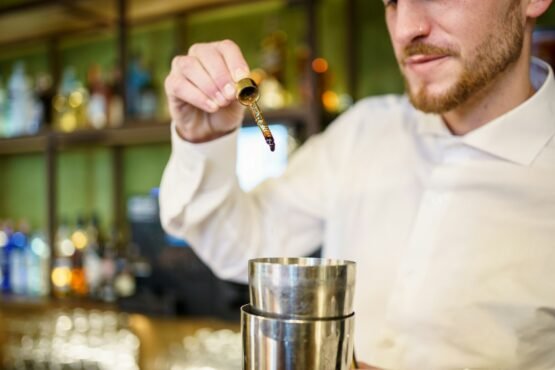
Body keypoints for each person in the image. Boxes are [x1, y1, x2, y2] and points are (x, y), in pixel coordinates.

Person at [160, 0, 555, 368]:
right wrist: (204, 139)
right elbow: (239, 247)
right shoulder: (362, 132)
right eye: (391, 1)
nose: (405, 30)